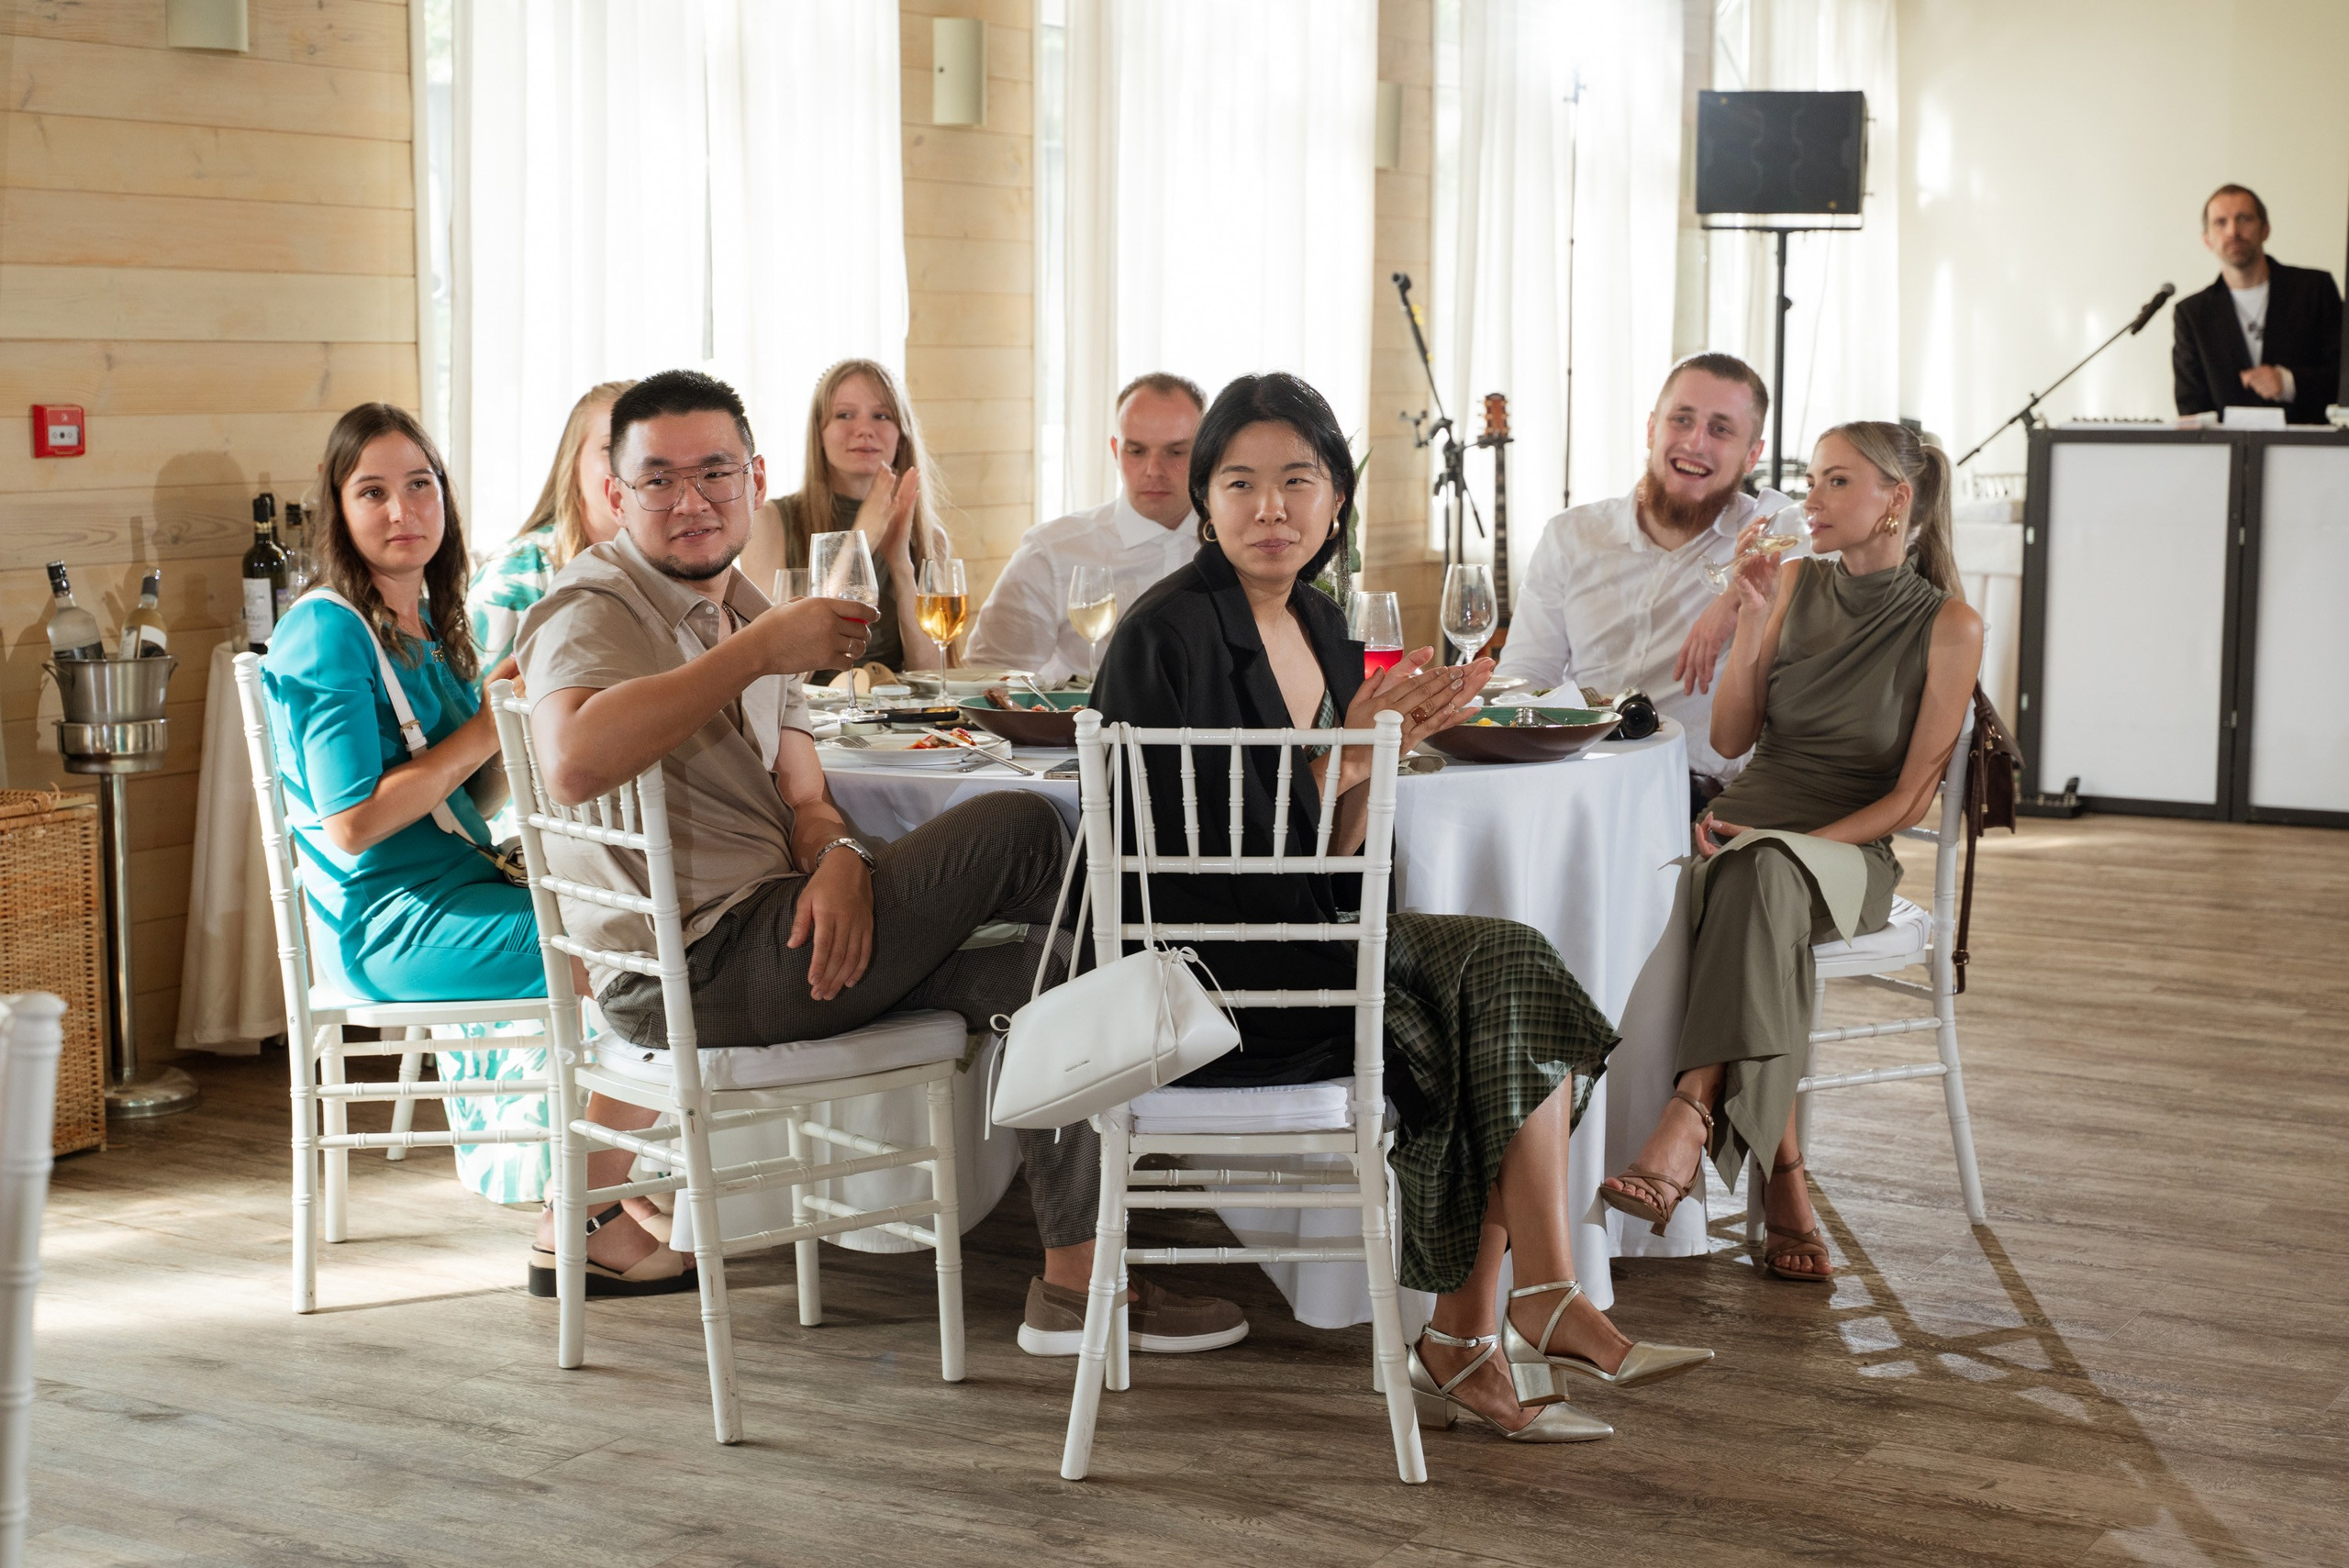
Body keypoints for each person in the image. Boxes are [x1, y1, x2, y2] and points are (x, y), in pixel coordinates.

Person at [517, 370, 1246, 1348]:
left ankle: (1076, 1288)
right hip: (692, 968)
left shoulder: (734, 602)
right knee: (1027, 825)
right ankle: (1192, 1004)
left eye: (715, 472)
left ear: (753, 474)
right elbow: (570, 760)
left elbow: (808, 794)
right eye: (659, 479)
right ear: (614, 491)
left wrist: (843, 859)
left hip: (781, 931)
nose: (691, 500)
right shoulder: (595, 603)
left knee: (1051, 970)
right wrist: (763, 646)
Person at [1096, 373, 1713, 1444]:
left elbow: (1336, 863)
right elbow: (1185, 867)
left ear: (1336, 498)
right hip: (1208, 979)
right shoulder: (1167, 636)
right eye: (1238, 482)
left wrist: (1369, 767)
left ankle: (1507, 1314)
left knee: (1516, 971)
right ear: (1204, 500)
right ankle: (1495, 1320)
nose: (1269, 507)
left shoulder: (1327, 627)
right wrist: (1344, 756)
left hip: (1311, 946)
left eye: (1298, 480)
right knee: (1491, 1013)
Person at [1598, 421, 1983, 1286]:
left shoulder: (1951, 625)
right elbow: (1732, 736)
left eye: (1836, 482)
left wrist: (1785, 839)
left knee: (1761, 873)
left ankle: (1692, 1114)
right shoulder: (1795, 582)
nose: (1808, 499)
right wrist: (1753, 619)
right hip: (1743, 832)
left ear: (1897, 499)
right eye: (1810, 479)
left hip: (1846, 852)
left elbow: (1909, 798)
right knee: (1746, 884)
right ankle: (1780, 1179)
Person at [259, 404, 556, 1209]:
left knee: (631, 915)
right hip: (388, 921)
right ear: (339, 509)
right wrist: (486, 726)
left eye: (421, 485)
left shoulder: (425, 620)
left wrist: (514, 720)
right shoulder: (327, 631)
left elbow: (466, 800)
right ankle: (603, 1196)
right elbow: (351, 821)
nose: (403, 511)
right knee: (616, 942)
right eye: (374, 492)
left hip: (460, 887)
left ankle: (614, 1180)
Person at [445, 378, 632, 1207]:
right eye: (614, 453)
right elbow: (477, 774)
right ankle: (582, 1172)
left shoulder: (673, 576)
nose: (636, 476)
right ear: (576, 467)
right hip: (526, 846)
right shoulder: (518, 583)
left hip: (633, 824)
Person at [1495, 353, 1795, 811]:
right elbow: (1525, 676)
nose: (1696, 443)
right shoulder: (1571, 536)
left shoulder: (1762, 534)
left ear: (1753, 453)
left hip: (1689, 794)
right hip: (1576, 778)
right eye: (1682, 419)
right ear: (1652, 428)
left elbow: (1822, 527)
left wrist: (1731, 596)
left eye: (1721, 429)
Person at [966, 373, 1204, 683]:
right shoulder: (1051, 552)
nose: (1153, 470)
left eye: (1175, 452)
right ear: (1115, 451)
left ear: (1204, 452)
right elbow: (990, 679)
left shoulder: (1238, 544)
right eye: (1136, 451)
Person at [738, 358, 950, 681]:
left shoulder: (929, 536)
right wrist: (861, 538)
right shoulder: (767, 523)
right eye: (844, 415)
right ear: (819, 433)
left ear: (901, 435)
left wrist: (901, 567)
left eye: (881, 416)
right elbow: (781, 675)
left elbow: (933, 679)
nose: (864, 429)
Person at [470, 380, 637, 681]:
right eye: (611, 447)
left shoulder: (677, 566)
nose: (632, 464)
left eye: (646, 449)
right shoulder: (518, 571)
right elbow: (487, 712)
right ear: (572, 464)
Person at [2173, 183, 2343, 427]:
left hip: (2311, 452)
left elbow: (2343, 377)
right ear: (2207, 240)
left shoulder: (2315, 289)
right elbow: (2191, 407)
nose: (2233, 231)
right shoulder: (2192, 313)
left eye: (2244, 218)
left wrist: (2289, 383)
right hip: (2226, 458)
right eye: (2220, 222)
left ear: (2265, 230)